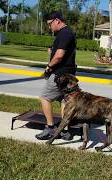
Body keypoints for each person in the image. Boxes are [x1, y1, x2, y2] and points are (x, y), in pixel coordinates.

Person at [35, 11, 77, 140]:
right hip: (69, 73)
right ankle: (64, 131)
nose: (49, 27)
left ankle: (50, 128)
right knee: (64, 100)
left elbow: (59, 56)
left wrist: (49, 67)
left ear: (57, 20)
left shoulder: (64, 34)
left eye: (49, 24)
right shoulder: (68, 33)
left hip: (60, 74)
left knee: (45, 97)